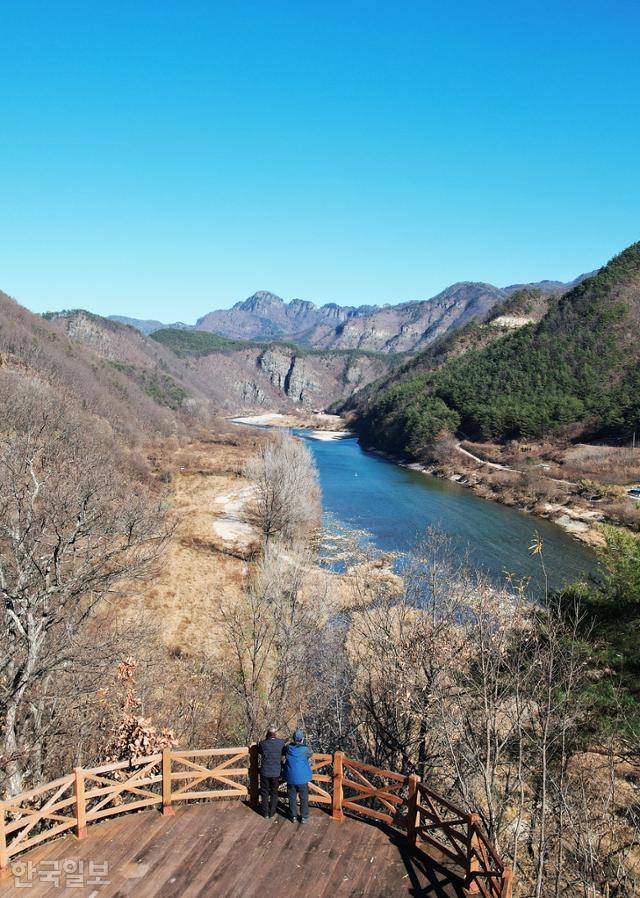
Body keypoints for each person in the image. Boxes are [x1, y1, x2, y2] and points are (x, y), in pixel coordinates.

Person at [283, 729, 313, 823]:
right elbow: (311, 753)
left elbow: (284, 750)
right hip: (302, 778)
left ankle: (293, 816)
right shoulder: (305, 749)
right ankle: (304, 816)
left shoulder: (288, 748)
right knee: (303, 797)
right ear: (302, 739)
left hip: (290, 776)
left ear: (293, 739)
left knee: (292, 797)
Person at [257, 725, 285, 819]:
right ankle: (272, 812)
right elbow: (283, 752)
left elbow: (260, 751)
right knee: (274, 792)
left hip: (265, 772)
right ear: (275, 734)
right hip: (276, 772)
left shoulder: (262, 744)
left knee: (264, 792)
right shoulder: (281, 743)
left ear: (267, 734)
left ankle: (265, 813)